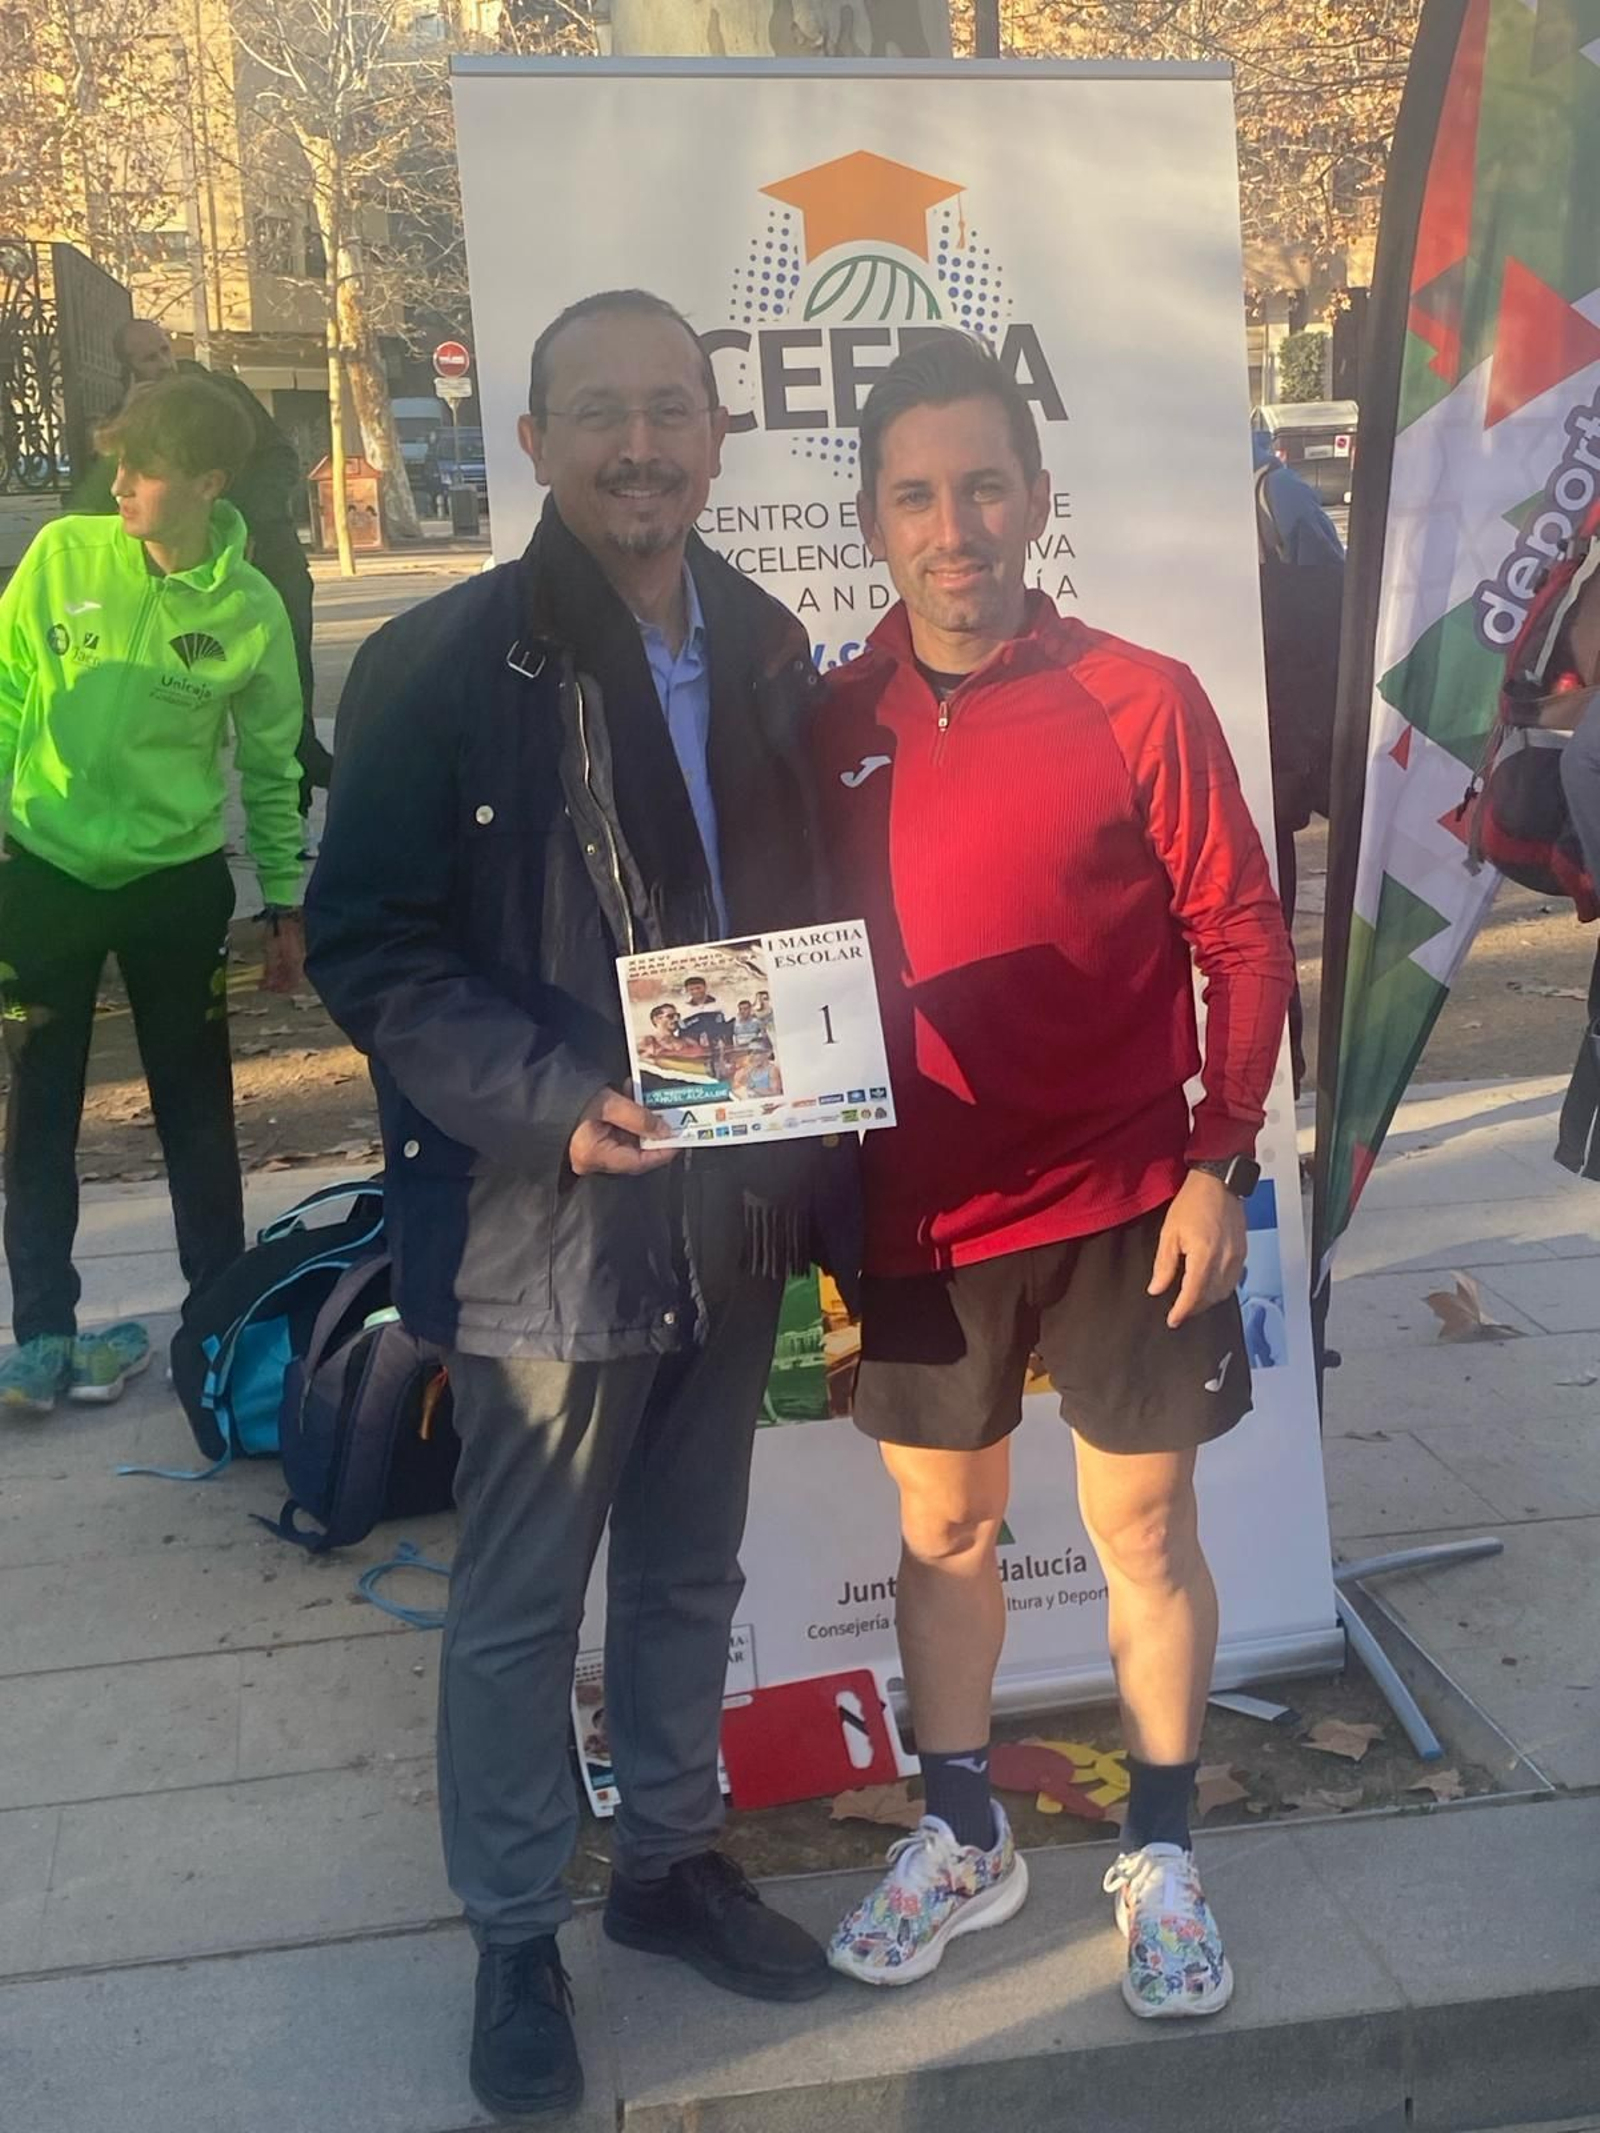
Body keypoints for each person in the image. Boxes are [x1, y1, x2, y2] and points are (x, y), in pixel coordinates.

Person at [304, 288, 855, 2123]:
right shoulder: (449, 666)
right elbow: (366, 945)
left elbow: (816, 920)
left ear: (718, 434)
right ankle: (514, 1929)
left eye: (672, 408)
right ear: (532, 443)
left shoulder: (775, 642)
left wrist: (826, 1140)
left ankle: (673, 1862)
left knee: (694, 1565)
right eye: (600, 411)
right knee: (523, 1606)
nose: (642, 442)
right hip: (550, 1215)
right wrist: (554, 1106)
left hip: (733, 1200)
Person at [813, 334, 1294, 2015]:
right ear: (873, 518)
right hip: (919, 1219)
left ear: (1039, 496)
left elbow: (1239, 928)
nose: (959, 525)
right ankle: (963, 1831)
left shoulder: (1138, 694)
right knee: (944, 1532)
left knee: (1141, 1527)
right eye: (920, 495)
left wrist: (1218, 1157)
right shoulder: (829, 718)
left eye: (987, 485)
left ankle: (1161, 1844)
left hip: (1119, 1198)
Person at [0, 373, 306, 1413]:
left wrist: (283, 902)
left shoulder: (252, 608)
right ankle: (42, 1334)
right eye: (119, 461)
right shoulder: (63, 556)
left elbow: (270, 770)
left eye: (144, 468)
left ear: (208, 482)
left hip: (176, 888)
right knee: (39, 1111)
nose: (119, 482)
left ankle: (216, 1329)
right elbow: (5, 692)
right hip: (45, 875)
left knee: (197, 1115)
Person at [69, 319, 332, 812]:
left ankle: (295, 789)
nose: (163, 363)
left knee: (287, 676)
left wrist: (249, 520)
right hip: (185, 588)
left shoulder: (222, 393)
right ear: (127, 369)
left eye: (165, 350)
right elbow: (95, 504)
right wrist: (132, 419)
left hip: (267, 556)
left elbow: (278, 457)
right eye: (147, 358)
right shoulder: (129, 419)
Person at [1253, 428, 1345, 1093]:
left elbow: (1334, 614)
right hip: (1250, 763)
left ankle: (1281, 1101)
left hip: (1270, 767)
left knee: (1262, 946)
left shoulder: (1272, 491)